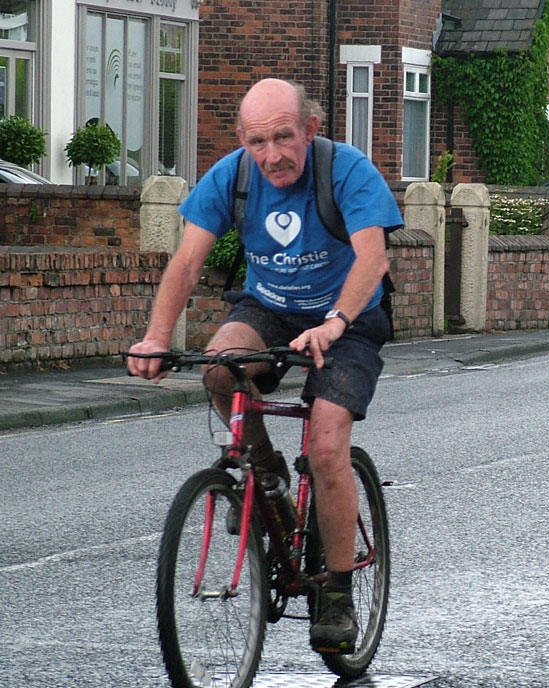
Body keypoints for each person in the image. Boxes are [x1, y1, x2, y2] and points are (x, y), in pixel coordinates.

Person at [127, 78, 403, 653]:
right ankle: (264, 467)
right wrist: (156, 337)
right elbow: (186, 262)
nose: (272, 154)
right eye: (258, 141)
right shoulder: (234, 176)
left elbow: (372, 257)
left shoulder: (347, 171)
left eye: (283, 137)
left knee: (327, 445)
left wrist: (334, 321)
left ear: (311, 129)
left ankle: (337, 592)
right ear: (241, 140)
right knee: (219, 367)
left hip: (346, 318)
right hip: (269, 308)